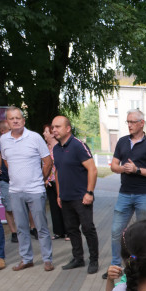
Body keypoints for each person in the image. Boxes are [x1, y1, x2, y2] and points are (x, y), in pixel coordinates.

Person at [106, 109, 146, 277]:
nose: (129, 125)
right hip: (124, 194)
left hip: (144, 195)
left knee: (143, 233)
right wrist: (123, 168)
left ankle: (142, 265)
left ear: (141, 123)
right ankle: (116, 266)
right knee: (116, 230)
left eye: (132, 122)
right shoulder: (122, 142)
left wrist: (137, 170)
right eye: (127, 122)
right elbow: (113, 166)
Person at [0, 107, 54, 271]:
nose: (15, 121)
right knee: (21, 227)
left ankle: (47, 259)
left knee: (41, 227)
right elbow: (7, 161)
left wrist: (40, 180)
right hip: (15, 191)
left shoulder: (35, 137)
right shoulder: (3, 140)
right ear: (7, 122)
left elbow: (48, 162)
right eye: (12, 118)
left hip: (35, 190)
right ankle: (26, 259)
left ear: (23, 121)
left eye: (18, 118)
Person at [51, 116, 100, 273]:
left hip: (81, 197)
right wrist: (59, 194)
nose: (54, 130)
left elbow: (92, 169)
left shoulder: (79, 146)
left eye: (57, 127)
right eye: (53, 127)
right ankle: (78, 258)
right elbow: (57, 172)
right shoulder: (56, 149)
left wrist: (89, 192)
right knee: (72, 230)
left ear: (68, 128)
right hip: (65, 198)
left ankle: (94, 260)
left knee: (88, 228)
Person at [42, 123, 67, 239]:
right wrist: (45, 178)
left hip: (61, 180)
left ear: (52, 134)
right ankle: (58, 231)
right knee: (53, 207)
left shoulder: (60, 147)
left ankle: (68, 231)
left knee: (63, 206)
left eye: (46, 132)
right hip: (49, 182)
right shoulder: (45, 148)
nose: (44, 134)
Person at [0, 119, 18, 244]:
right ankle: (14, 232)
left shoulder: (15, 141)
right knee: (9, 207)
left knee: (21, 206)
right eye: (9, 130)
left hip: (18, 179)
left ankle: (25, 229)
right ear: (2, 131)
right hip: (4, 180)